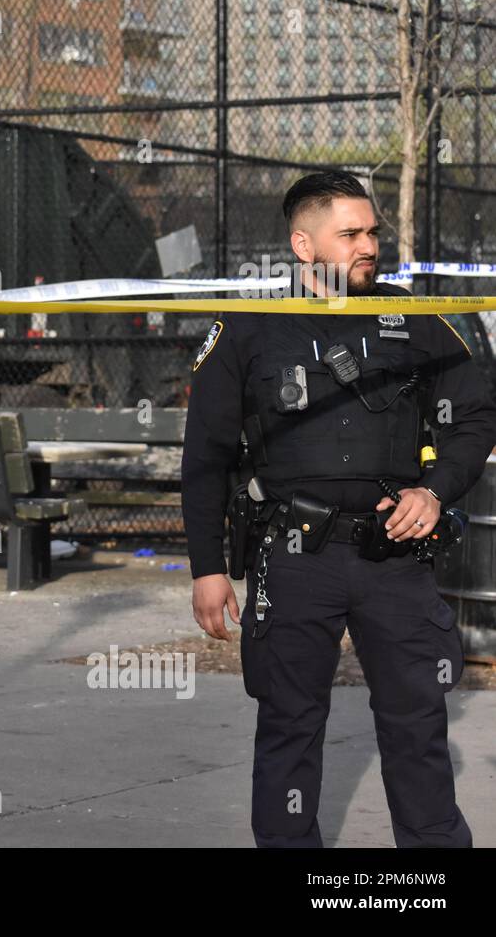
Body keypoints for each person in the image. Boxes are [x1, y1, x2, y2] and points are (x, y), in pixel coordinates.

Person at [181, 170, 496, 847]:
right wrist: (207, 568)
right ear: (303, 245)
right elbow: (206, 456)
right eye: (350, 233)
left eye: (373, 231)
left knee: (417, 725)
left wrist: (435, 492)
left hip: (396, 558)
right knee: (290, 725)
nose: (368, 244)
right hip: (294, 560)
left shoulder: (415, 320)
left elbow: (475, 418)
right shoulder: (248, 327)